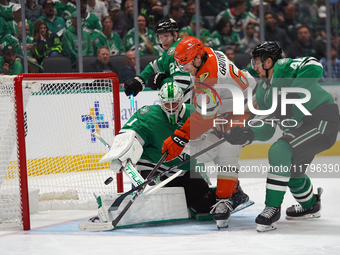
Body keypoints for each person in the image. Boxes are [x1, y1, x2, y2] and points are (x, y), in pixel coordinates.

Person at [225, 41, 340, 232]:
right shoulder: (263, 91)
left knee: (279, 149)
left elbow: (313, 66)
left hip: (322, 121)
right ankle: (311, 204)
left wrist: (292, 93)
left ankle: (272, 208)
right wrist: (247, 133)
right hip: (301, 129)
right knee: (292, 171)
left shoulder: (282, 68)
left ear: (269, 61)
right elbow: (268, 128)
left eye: (257, 62)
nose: (254, 66)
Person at [161, 36, 257, 229]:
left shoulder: (209, 78)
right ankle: (234, 188)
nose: (184, 68)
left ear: (197, 59)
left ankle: (225, 198)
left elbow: (204, 117)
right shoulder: (208, 53)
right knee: (200, 147)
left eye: (186, 64)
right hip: (229, 104)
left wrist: (180, 137)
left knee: (227, 151)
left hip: (243, 109)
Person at [100, 82, 217, 215]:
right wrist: (119, 155)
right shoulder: (148, 115)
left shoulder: (193, 113)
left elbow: (216, 129)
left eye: (175, 103)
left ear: (181, 100)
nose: (171, 108)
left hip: (183, 170)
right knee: (160, 201)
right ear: (161, 102)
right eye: (167, 104)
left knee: (205, 205)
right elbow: (128, 135)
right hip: (152, 169)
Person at [123, 19, 191, 103]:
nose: (163, 41)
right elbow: (154, 66)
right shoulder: (169, 51)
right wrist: (140, 80)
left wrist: (161, 82)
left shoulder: (179, 50)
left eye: (166, 36)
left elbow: (182, 83)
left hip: (194, 102)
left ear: (175, 35)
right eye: (160, 37)